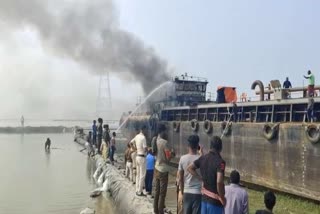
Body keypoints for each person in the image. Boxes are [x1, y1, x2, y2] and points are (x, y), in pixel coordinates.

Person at [187, 136, 225, 214]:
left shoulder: (203, 158)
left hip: (204, 199)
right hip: (215, 202)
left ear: (210, 146)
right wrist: (222, 197)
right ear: (220, 148)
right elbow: (219, 182)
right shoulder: (221, 162)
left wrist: (200, 178)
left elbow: (190, 168)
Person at [154, 123, 175, 214]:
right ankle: (160, 212)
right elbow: (167, 157)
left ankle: (155, 210)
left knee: (156, 192)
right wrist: (173, 154)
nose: (166, 132)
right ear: (162, 131)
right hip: (163, 169)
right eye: (165, 131)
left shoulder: (155, 140)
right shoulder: (164, 142)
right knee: (162, 194)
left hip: (156, 167)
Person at [178, 135, 202, 214]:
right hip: (198, 192)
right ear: (198, 145)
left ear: (188, 145)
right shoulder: (201, 159)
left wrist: (182, 192)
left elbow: (180, 178)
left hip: (187, 192)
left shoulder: (182, 158)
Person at [130, 125, 148, 196]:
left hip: (137, 156)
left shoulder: (137, 136)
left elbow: (130, 143)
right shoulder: (143, 137)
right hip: (142, 157)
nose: (146, 132)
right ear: (143, 130)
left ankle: (137, 189)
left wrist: (135, 149)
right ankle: (140, 191)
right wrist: (148, 150)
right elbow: (145, 148)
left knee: (138, 174)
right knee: (142, 175)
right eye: (146, 130)